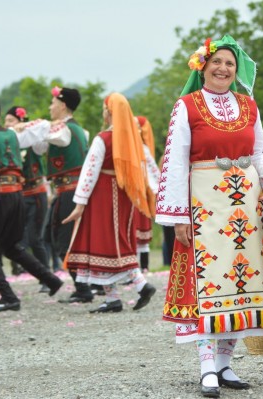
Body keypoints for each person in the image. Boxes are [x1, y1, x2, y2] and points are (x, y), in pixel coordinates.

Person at [155, 35, 263, 398]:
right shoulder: (187, 106)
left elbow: (259, 152)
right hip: (205, 205)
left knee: (241, 283)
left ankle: (226, 363)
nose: (224, 68)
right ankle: (206, 365)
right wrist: (179, 215)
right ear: (203, 67)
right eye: (217, 63)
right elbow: (176, 162)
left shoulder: (248, 106)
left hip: (246, 207)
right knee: (209, 284)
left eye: (229, 63)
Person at [62, 93, 157, 313]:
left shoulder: (103, 138)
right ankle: (115, 296)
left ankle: (140, 285)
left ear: (110, 112)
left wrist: (80, 203)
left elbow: (89, 172)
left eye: (105, 109)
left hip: (104, 194)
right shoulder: (134, 140)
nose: (103, 113)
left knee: (105, 244)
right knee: (113, 244)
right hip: (125, 196)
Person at [15, 87, 93, 303]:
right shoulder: (78, 130)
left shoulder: (63, 130)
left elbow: (42, 134)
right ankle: (86, 285)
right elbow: (39, 146)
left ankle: (84, 288)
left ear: (63, 105)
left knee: (63, 239)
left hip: (70, 191)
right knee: (58, 236)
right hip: (68, 191)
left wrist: (22, 127)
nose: (50, 107)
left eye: (52, 103)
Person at [0, 98, 64, 312]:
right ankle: (51, 280)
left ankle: (9, 297)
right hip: (18, 195)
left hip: (0, 196)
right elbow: (42, 126)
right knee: (11, 246)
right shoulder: (11, 134)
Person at [5, 106, 51, 292]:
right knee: (16, 237)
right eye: (5, 121)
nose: (7, 125)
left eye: (10, 121)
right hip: (19, 194)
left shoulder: (33, 140)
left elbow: (43, 139)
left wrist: (27, 128)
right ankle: (21, 269)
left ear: (21, 121)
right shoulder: (8, 141)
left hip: (36, 193)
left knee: (35, 238)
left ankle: (47, 278)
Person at [134, 116, 161, 273]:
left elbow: (153, 171)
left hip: (141, 195)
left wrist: (158, 190)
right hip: (130, 194)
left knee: (141, 232)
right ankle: (133, 270)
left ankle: (143, 267)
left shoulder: (143, 149)